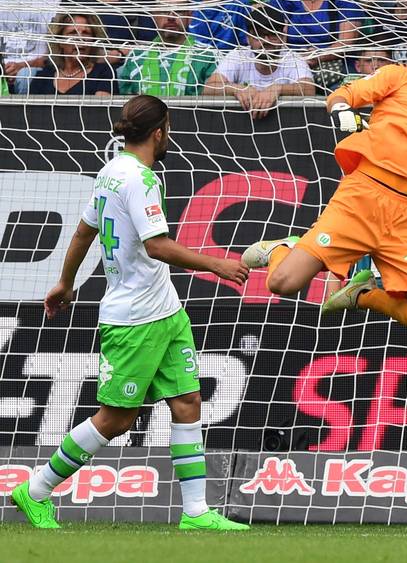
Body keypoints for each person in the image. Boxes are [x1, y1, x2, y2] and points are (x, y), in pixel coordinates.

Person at [9, 95, 249, 531]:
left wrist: (65, 282)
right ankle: (36, 489)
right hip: (133, 319)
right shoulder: (138, 178)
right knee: (115, 420)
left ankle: (196, 513)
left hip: (166, 310)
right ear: (159, 132)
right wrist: (218, 263)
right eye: (169, 128)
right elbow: (156, 245)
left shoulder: (108, 173)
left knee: (188, 401)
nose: (169, 135)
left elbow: (84, 231)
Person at [239, 28, 407, 343]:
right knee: (282, 283)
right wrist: (346, 116)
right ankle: (282, 247)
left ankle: (364, 294)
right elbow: (341, 96)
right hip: (362, 200)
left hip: (405, 224)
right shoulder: (401, 76)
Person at [203, 4, 315, 119]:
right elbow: (209, 87)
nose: (266, 41)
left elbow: (309, 88)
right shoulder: (238, 56)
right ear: (248, 38)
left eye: (272, 35)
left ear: (282, 37)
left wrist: (277, 89)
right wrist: (236, 89)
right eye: (259, 35)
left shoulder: (293, 59)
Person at [118, 0, 218, 96]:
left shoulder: (207, 56)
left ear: (190, 16)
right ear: (154, 15)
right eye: (164, 10)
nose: (171, 17)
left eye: (178, 10)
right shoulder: (136, 57)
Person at [28, 11, 116, 95]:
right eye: (73, 32)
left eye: (86, 33)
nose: (80, 38)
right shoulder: (44, 77)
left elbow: (100, 109)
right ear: (60, 42)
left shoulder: (104, 73)